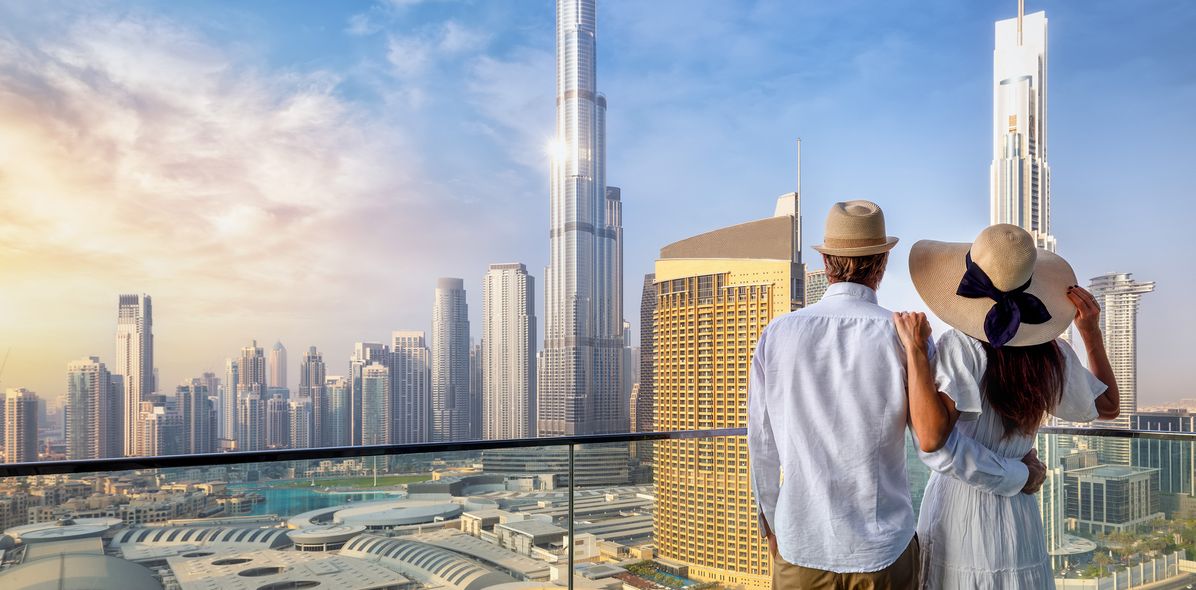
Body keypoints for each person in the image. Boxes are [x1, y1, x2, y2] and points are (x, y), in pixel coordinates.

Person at [749, 202, 1045, 590]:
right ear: (883, 262)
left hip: (801, 547)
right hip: (884, 552)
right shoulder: (908, 338)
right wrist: (1017, 472)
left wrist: (772, 526)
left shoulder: (777, 334)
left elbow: (762, 443)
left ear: (824, 261)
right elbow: (934, 442)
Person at [895, 223, 1120, 589]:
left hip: (959, 512)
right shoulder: (1052, 354)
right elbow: (1108, 405)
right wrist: (1090, 332)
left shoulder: (961, 347)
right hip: (1018, 516)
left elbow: (933, 438)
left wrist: (917, 351)